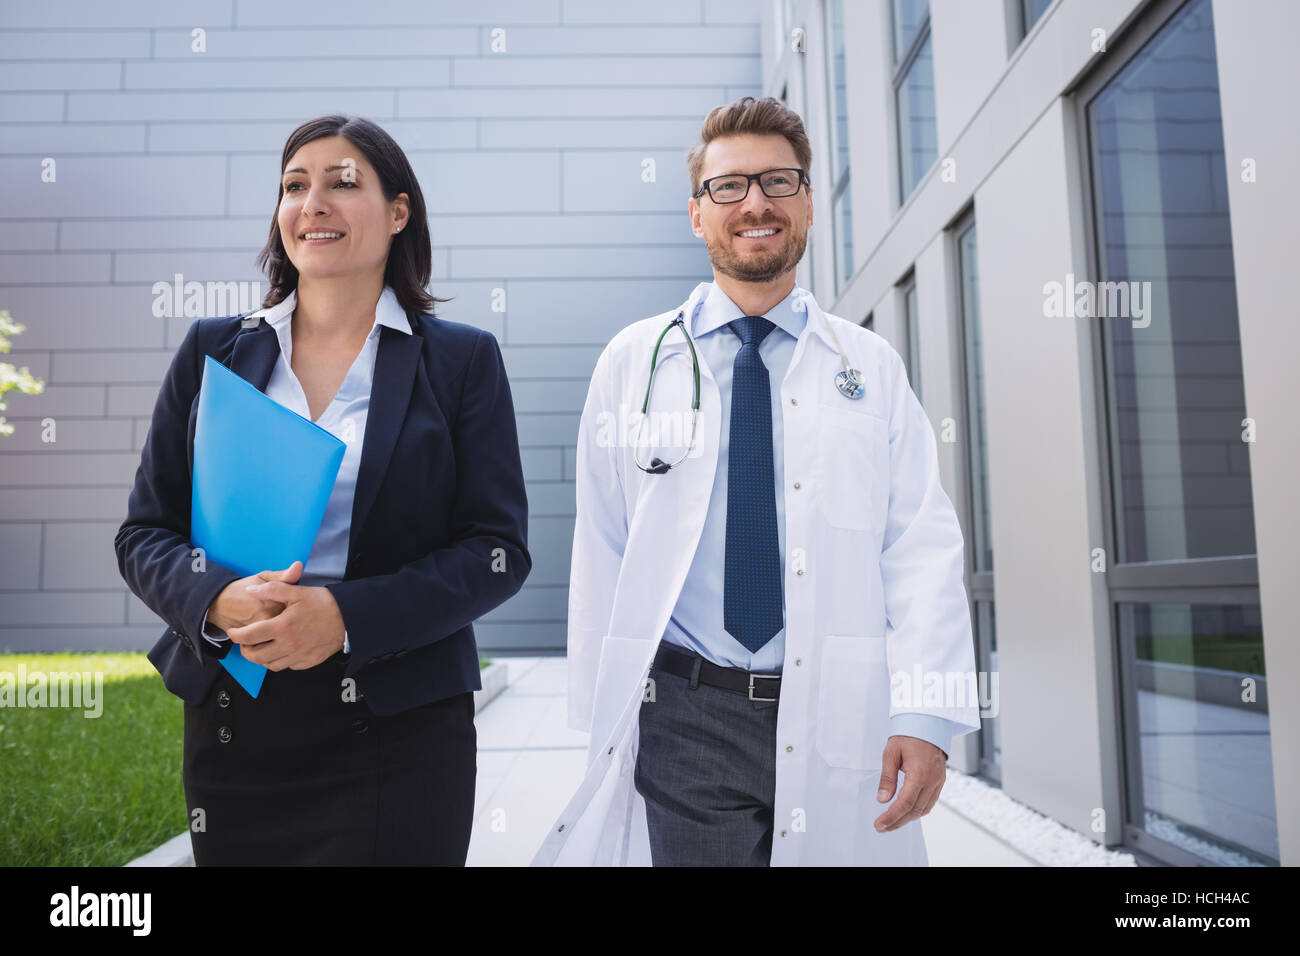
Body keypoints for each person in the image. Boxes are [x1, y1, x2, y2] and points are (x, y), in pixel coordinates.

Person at [533, 96, 979, 866]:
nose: (756, 204)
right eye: (729, 187)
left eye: (779, 181)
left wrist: (927, 716)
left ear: (807, 203)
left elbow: (920, 547)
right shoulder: (634, 363)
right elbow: (603, 544)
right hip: (686, 714)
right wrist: (602, 714)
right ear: (697, 214)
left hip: (844, 707)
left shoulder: (868, 368)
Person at [115, 114, 530, 866]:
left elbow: (496, 551)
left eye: (344, 183)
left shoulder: (461, 361)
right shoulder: (214, 350)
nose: (314, 203)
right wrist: (214, 599)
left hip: (399, 728)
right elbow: (145, 533)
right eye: (295, 186)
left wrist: (343, 617)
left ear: (399, 212)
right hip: (237, 721)